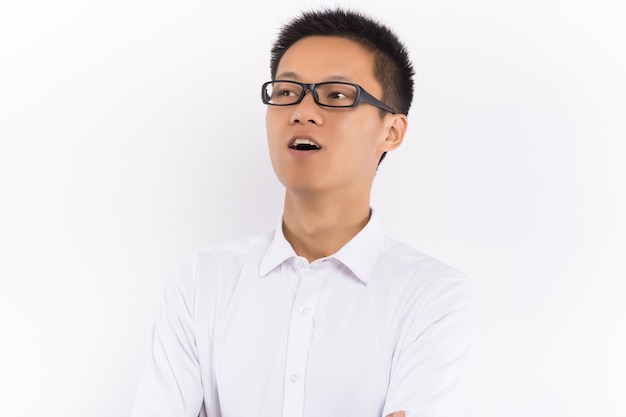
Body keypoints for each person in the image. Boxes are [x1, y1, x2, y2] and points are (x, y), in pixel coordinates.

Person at [130, 7, 473, 417]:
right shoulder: (202, 282)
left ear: (392, 131)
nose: (302, 112)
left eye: (337, 96)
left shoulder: (432, 295)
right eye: (286, 92)